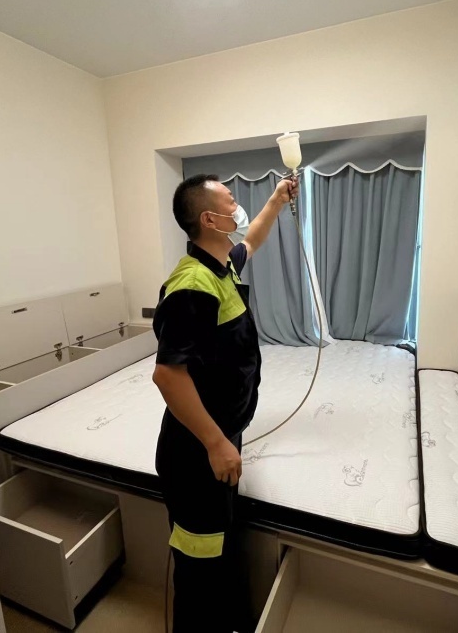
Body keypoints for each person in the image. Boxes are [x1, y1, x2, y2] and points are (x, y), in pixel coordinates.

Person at [152, 173, 298, 632]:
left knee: (218, 544)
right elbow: (168, 375)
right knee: (198, 558)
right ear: (210, 220)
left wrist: (277, 199)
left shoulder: (221, 266)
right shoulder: (192, 285)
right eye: (231, 203)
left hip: (220, 434)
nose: (239, 208)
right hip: (195, 450)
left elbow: (252, 239)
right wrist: (216, 443)